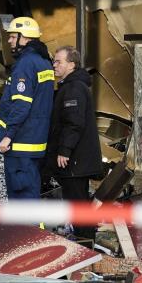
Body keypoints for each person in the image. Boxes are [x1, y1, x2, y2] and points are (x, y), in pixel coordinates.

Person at [44, 46, 103, 239]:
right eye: (54, 61)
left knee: (78, 205)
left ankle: (86, 245)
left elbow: (74, 122)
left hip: (75, 161)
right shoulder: (69, 86)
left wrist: (64, 150)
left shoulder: (73, 88)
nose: (54, 65)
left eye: (59, 61)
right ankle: (85, 243)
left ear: (72, 64)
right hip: (75, 160)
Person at [0, 17, 54, 199]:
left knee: (22, 199)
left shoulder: (25, 64)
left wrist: (8, 136)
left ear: (25, 38)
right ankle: (34, 228)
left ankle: (28, 229)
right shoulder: (43, 62)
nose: (10, 40)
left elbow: (21, 104)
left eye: (13, 36)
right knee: (30, 193)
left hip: (20, 143)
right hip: (34, 141)